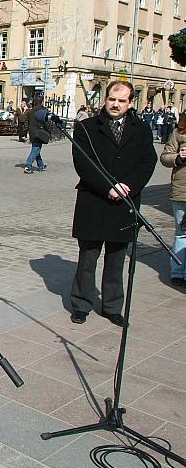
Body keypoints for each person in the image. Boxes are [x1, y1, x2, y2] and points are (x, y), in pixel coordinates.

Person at [69, 80, 157, 326]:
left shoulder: (141, 130)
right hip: (94, 200)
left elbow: (147, 162)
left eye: (121, 101)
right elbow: (83, 163)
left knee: (117, 258)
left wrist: (128, 185)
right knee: (88, 257)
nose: (115, 105)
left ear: (130, 103)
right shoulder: (86, 128)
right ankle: (81, 304)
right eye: (112, 99)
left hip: (125, 202)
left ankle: (112, 306)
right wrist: (108, 187)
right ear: (105, 99)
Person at [159, 112, 186, 286]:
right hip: (182, 190)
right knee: (182, 233)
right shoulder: (179, 132)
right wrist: (178, 157)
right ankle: (178, 271)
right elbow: (165, 157)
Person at [23, 96, 49, 173]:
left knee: (36, 148)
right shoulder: (44, 110)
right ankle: (28, 166)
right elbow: (46, 122)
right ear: (42, 102)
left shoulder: (30, 111)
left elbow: (26, 123)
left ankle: (41, 165)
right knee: (36, 149)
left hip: (32, 132)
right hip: (40, 132)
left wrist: (25, 133)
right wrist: (49, 131)